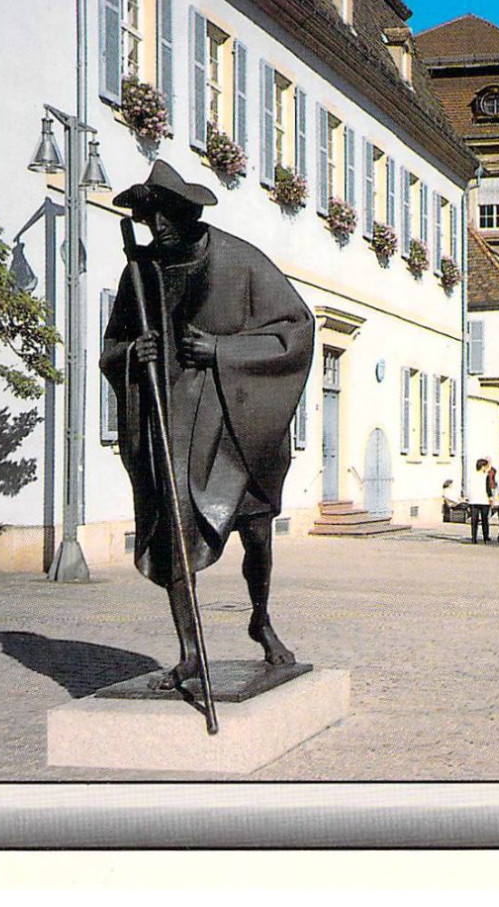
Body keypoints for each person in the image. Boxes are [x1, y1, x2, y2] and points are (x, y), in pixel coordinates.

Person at [99, 160, 315, 691]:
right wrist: (132, 352)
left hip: (239, 424)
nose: (159, 226)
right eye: (151, 217)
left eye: (168, 214)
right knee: (175, 531)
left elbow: (297, 331)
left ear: (190, 212)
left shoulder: (240, 262)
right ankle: (190, 650)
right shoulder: (140, 273)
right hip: (172, 421)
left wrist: (222, 349)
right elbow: (110, 348)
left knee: (257, 533)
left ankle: (260, 619)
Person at [469, 457, 496, 544]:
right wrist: (491, 498)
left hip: (473, 500)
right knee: (485, 519)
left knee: (474, 520)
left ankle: (474, 537)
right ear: (483, 467)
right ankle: (485, 536)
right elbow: (488, 488)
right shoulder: (485, 476)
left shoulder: (472, 476)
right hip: (484, 500)